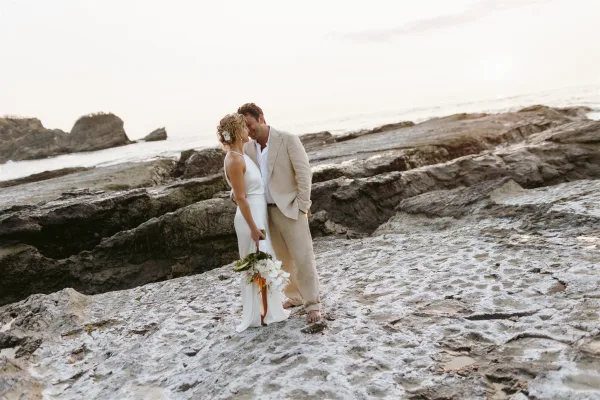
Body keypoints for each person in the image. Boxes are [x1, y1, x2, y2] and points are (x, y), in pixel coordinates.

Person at [237, 103, 322, 324]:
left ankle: (313, 304)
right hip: (265, 213)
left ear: (261, 118)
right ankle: (294, 296)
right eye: (244, 127)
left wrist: (303, 205)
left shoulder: (287, 139)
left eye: (250, 124)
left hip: (291, 209)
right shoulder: (247, 149)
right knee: (282, 260)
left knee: (303, 258)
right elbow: (246, 178)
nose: (248, 130)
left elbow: (304, 173)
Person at [217, 113, 290, 332]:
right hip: (250, 219)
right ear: (237, 132)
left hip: (257, 214)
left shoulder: (241, 155)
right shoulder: (235, 159)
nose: (248, 131)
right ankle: (263, 312)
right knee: (258, 264)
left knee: (263, 261)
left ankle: (266, 310)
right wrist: (253, 228)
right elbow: (240, 198)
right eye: (244, 128)